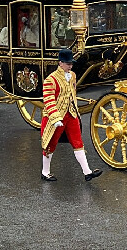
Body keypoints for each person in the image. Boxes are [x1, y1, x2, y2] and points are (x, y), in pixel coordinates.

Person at [40, 48, 102, 182]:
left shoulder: (72, 75)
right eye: (68, 64)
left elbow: (72, 94)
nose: (70, 66)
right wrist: (55, 117)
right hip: (55, 117)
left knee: (78, 142)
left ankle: (87, 172)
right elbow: (49, 100)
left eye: (71, 64)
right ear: (60, 63)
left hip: (71, 113)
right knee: (50, 144)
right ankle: (45, 172)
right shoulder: (50, 80)